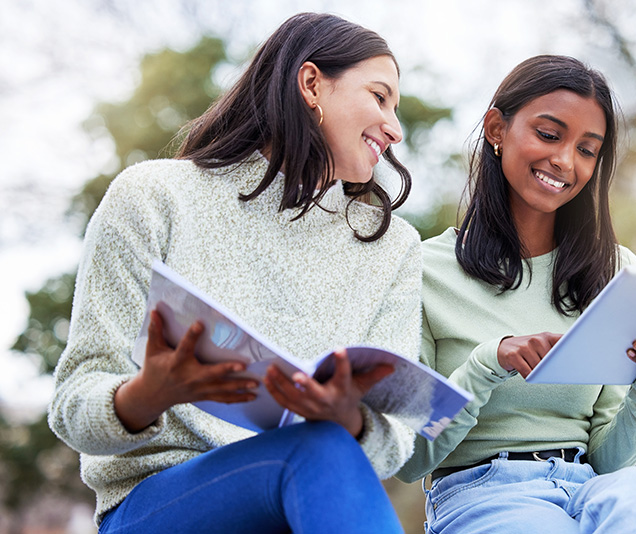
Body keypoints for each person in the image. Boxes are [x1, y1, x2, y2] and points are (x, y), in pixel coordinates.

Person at [48, 12, 421, 534]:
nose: (395, 128)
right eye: (380, 98)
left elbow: (397, 438)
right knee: (317, 452)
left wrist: (350, 418)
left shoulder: (394, 248)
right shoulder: (153, 198)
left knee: (324, 447)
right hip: (159, 505)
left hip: (308, 496)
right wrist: (148, 395)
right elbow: (72, 404)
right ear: (312, 83)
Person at [396, 55, 636, 533]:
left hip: (587, 487)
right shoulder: (421, 271)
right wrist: (488, 364)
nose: (565, 161)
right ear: (496, 129)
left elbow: (609, 459)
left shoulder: (618, 274)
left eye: (587, 149)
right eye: (549, 135)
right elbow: (410, 458)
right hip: (479, 494)